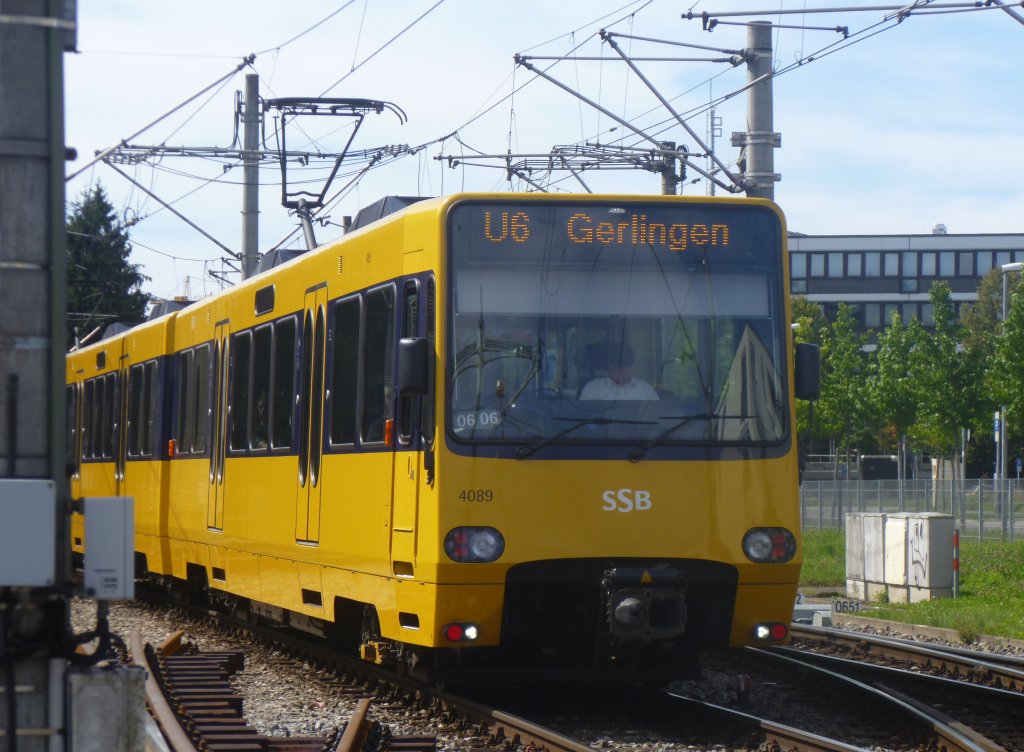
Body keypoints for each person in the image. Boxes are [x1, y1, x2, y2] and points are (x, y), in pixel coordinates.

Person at [580, 342, 659, 401]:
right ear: (609, 364)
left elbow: (656, 414)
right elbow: (583, 415)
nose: (622, 373)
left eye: (626, 368)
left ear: (634, 365)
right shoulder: (593, 389)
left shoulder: (645, 390)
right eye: (618, 368)